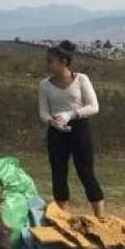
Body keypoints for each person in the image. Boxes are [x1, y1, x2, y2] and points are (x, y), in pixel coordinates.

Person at [39, 40, 105, 218]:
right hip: (57, 132)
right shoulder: (44, 85)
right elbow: (43, 112)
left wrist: (72, 114)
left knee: (86, 172)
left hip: (79, 129)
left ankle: (100, 218)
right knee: (59, 174)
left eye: (51, 61)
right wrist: (52, 122)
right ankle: (63, 218)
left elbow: (94, 106)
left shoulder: (81, 79)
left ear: (64, 62)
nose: (47, 64)